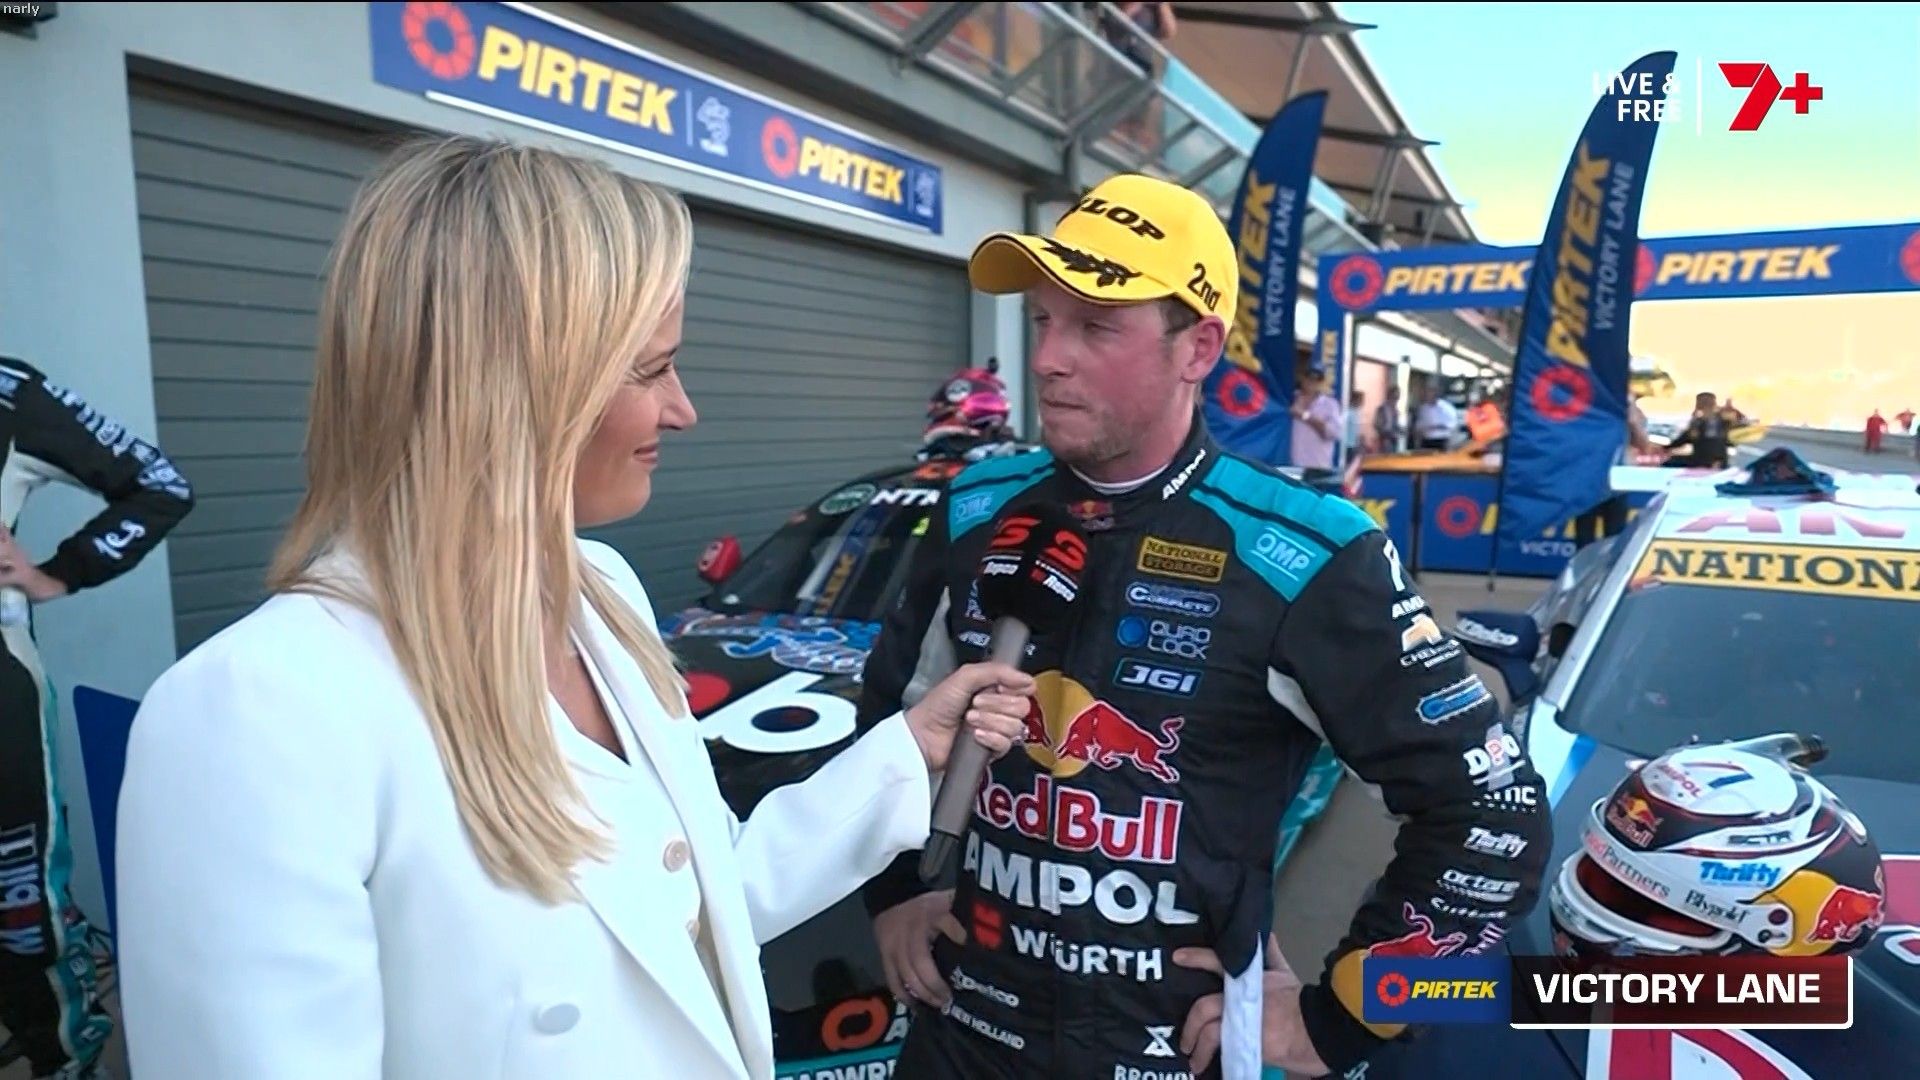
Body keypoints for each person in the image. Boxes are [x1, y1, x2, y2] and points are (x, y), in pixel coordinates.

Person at [109, 136, 1035, 1080]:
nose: (684, 410)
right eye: (652, 369)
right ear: (520, 387)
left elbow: (693, 909)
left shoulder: (604, 594)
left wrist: (905, 752)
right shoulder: (256, 711)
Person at [855, 172, 1551, 1080]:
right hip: (960, 1037)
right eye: (1042, 321)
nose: (1048, 358)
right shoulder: (975, 508)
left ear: (1199, 348)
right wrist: (892, 889)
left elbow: (1495, 814)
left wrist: (1342, 1022)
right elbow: (888, 718)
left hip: (1172, 1052)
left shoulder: (1310, 551)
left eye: (1094, 326)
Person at [0, 359, 194, 1079]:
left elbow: (161, 487)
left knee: (22, 910)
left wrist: (58, 573)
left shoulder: (9, 392)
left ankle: (63, 1057)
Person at [1664, 391, 1733, 469]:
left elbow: (1683, 439)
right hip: (1710, 461)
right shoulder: (1720, 421)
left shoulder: (1701, 423)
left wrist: (1665, 448)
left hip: (1705, 462)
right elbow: (1684, 439)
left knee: (1669, 462)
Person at [1289, 374, 1343, 469]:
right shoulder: (1290, 400)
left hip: (1318, 468)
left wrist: (1304, 415)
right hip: (1292, 467)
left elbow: (1333, 433)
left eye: (1316, 380)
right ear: (1302, 379)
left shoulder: (1330, 404)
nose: (1311, 382)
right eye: (1308, 378)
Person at [1412, 385, 1457, 451]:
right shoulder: (1423, 408)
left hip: (1441, 440)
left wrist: (1437, 427)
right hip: (1426, 440)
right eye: (1426, 394)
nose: (1427, 396)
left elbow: (1452, 424)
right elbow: (1419, 424)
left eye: (1430, 393)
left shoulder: (1446, 408)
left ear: (1435, 394)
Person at [1372, 384, 1404, 454]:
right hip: (1385, 440)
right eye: (1395, 397)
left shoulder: (1395, 410)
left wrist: (1401, 430)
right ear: (1389, 396)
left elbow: (1395, 424)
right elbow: (1376, 424)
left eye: (1398, 397)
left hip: (1394, 440)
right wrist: (1386, 433)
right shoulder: (1382, 409)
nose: (1397, 399)